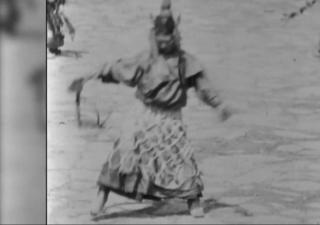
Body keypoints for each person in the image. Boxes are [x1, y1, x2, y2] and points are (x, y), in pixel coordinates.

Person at [69, 0, 233, 219]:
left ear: (175, 35)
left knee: (180, 159)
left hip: (171, 120)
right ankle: (101, 195)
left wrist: (218, 104)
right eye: (160, 40)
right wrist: (90, 75)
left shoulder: (186, 61)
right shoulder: (145, 59)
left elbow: (203, 86)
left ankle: (193, 200)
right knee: (123, 155)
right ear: (155, 36)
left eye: (168, 39)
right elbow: (119, 69)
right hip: (143, 116)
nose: (164, 44)